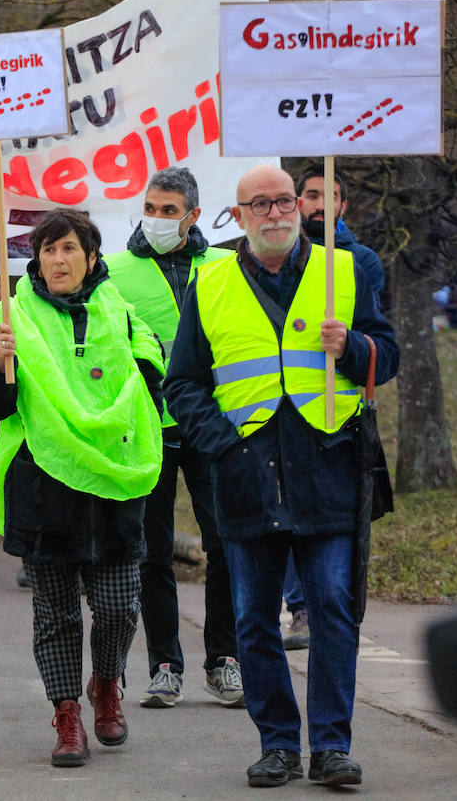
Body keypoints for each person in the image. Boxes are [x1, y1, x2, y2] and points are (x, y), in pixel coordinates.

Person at [165, 163, 398, 788]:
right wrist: (221, 443)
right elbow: (183, 382)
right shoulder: (208, 281)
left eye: (284, 201)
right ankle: (277, 743)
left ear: (301, 206)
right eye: (259, 204)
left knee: (332, 609)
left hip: (327, 469)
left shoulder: (343, 271)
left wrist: (350, 347)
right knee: (253, 620)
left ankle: (330, 747)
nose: (275, 212)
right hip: (247, 475)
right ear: (237, 217)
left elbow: (386, 354)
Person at [0, 207, 165, 768]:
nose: (57, 260)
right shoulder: (10, 319)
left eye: (68, 250)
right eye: (47, 250)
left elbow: (150, 386)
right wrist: (1, 363)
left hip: (112, 487)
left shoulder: (124, 315)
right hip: (43, 490)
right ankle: (66, 715)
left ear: (90, 257)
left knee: (116, 608)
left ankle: (106, 684)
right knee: (55, 614)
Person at [103, 166, 242, 709]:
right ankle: (164, 664)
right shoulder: (113, 271)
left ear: (193, 215)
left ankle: (224, 659)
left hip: (215, 424)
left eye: (168, 210)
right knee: (151, 551)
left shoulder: (226, 266)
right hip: (147, 426)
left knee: (226, 544)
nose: (157, 219)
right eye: (151, 208)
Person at [284, 164, 389, 650]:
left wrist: (351, 345)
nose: (319, 205)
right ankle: (297, 606)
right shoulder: (271, 260)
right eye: (309, 195)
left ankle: (320, 612)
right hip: (272, 420)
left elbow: (381, 349)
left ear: (344, 206)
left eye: (329, 197)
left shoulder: (359, 263)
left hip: (335, 423)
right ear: (297, 201)